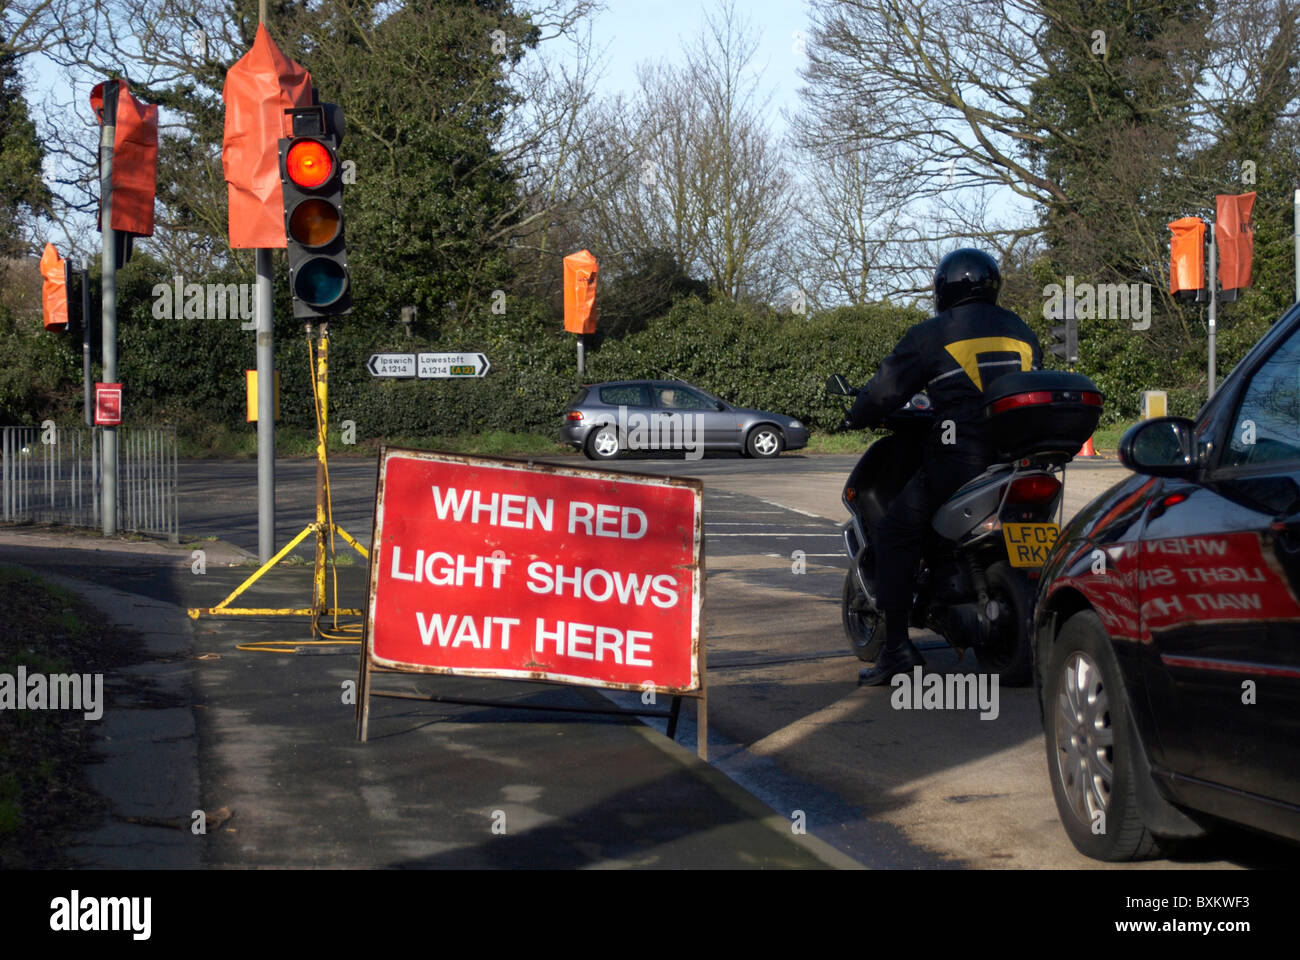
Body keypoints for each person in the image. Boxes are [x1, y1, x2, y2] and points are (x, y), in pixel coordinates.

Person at [842, 249, 1043, 686]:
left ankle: (895, 650)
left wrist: (858, 412)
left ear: (943, 288)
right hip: (1019, 460)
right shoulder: (1024, 332)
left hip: (961, 460)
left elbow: (885, 391)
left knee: (895, 533)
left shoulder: (933, 334)